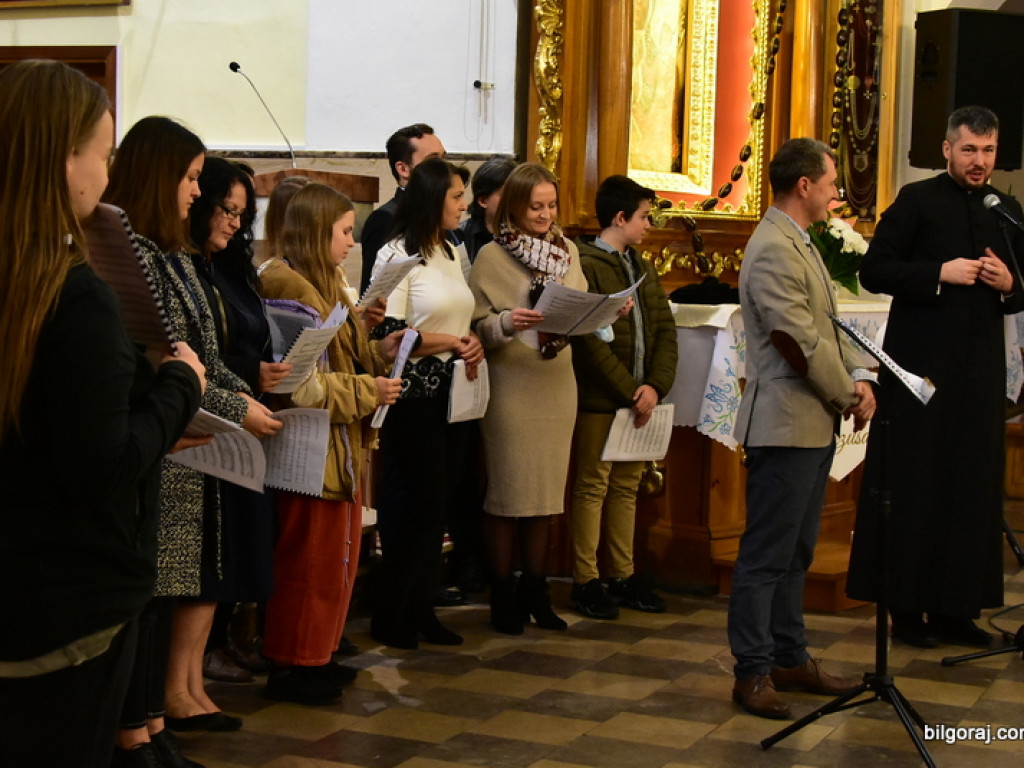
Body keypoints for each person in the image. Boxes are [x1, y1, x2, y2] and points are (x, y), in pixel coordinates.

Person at [0, 59, 204, 768]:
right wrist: (179, 387)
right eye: (105, 155)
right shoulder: (75, 295)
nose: (109, 175)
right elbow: (102, 468)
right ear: (66, 159)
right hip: (64, 602)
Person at [104, 117, 283, 742]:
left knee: (176, 588)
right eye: (189, 178)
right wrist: (238, 407)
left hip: (193, 437)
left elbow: (202, 354)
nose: (195, 192)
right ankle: (148, 722)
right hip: (167, 438)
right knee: (158, 593)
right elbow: (171, 361)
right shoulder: (138, 256)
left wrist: (242, 397)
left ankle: (160, 716)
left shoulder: (176, 256)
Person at [847, 106, 1024, 649]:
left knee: (971, 486)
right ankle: (906, 611)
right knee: (916, 482)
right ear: (947, 149)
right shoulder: (917, 201)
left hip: (979, 376)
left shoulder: (1006, 211)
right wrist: (938, 274)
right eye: (969, 150)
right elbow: (874, 270)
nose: (979, 161)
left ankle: (956, 610)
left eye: (988, 151)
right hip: (919, 372)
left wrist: (1009, 283)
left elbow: (1023, 287)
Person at [727, 138, 875, 720]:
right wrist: (846, 393)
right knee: (767, 555)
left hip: (810, 423)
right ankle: (752, 670)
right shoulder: (772, 247)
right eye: (831, 181)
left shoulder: (800, 240)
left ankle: (789, 656)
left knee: (796, 552)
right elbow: (796, 341)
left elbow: (828, 327)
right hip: (785, 422)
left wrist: (859, 376)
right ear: (804, 185)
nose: (837, 192)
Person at [259, 182, 404, 703]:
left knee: (333, 560)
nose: (350, 242)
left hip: (339, 443)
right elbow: (302, 383)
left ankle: (315, 655)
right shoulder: (289, 284)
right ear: (317, 232)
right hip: (310, 447)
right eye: (344, 232)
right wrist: (369, 390)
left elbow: (338, 356)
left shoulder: (325, 283)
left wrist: (379, 348)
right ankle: (291, 664)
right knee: (308, 560)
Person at [369, 158, 484, 649]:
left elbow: (460, 316)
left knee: (439, 505)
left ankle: (422, 606)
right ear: (433, 198)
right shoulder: (397, 252)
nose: (464, 205)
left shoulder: (452, 249)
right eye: (457, 196)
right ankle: (391, 610)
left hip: (453, 392)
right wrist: (451, 341)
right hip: (412, 395)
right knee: (415, 505)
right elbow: (389, 333)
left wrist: (471, 340)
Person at [469, 162, 587, 635]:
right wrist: (504, 323)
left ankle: (537, 592)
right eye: (535, 206)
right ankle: (502, 594)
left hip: (556, 380)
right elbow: (475, 326)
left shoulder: (567, 250)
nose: (544, 214)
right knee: (508, 491)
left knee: (544, 494)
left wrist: (605, 313)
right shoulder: (490, 256)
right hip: (512, 382)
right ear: (514, 207)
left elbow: (578, 306)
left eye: (551, 205)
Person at [188, 158, 292, 683]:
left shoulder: (226, 267)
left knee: (244, 540)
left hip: (245, 416)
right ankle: (198, 660)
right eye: (225, 210)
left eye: (241, 214)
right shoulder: (186, 270)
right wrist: (251, 373)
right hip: (210, 426)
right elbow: (198, 356)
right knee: (216, 549)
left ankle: (226, 638)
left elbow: (244, 333)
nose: (234, 223)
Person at [568, 175, 678, 619]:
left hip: (639, 398)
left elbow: (664, 329)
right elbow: (589, 341)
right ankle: (586, 579)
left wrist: (655, 386)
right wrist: (630, 389)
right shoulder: (587, 264)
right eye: (644, 217)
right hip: (602, 397)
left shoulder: (642, 265)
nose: (649, 225)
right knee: (592, 486)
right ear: (619, 217)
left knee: (627, 488)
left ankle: (623, 575)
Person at [359, 123, 446, 292]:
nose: (444, 169)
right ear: (403, 169)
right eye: (433, 161)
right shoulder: (386, 218)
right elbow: (375, 292)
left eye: (444, 159)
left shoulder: (441, 214)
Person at [459, 157, 517, 262]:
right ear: (483, 201)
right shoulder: (459, 236)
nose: (515, 201)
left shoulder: (529, 236)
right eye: (506, 195)